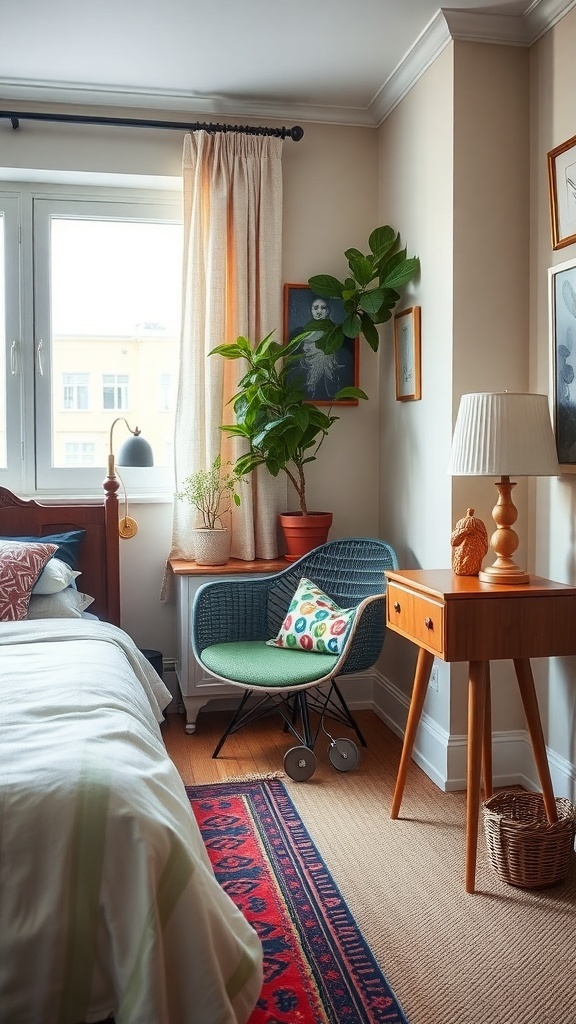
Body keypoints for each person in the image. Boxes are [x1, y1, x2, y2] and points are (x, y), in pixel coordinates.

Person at [290, 294, 352, 401]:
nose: (319, 312)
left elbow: (346, 356)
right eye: (315, 308)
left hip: (330, 378)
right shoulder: (300, 332)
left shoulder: (337, 332)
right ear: (310, 310)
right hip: (305, 379)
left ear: (329, 310)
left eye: (323, 308)